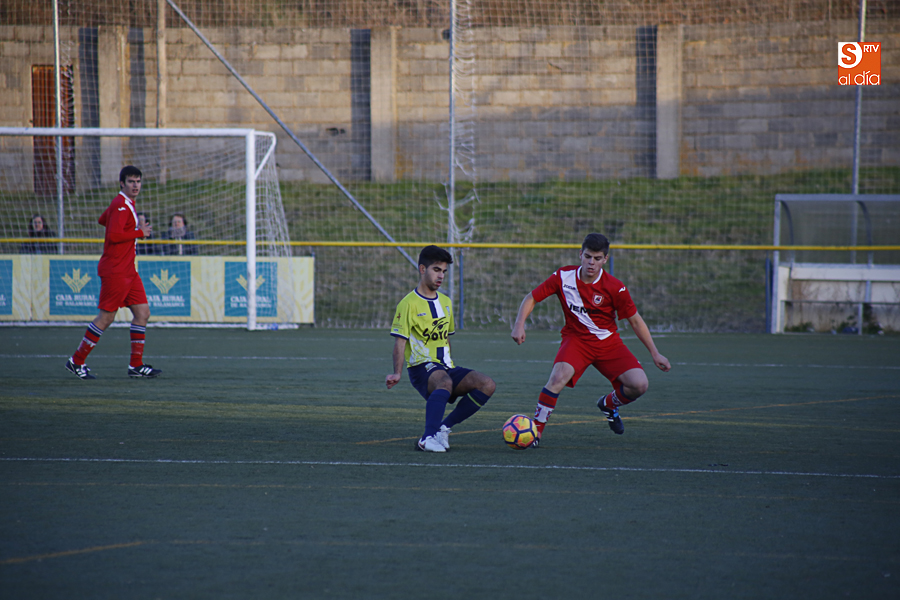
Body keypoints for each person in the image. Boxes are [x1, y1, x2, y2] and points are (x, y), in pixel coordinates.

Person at [511, 233, 670, 445]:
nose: (591, 263)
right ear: (580, 254)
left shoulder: (615, 287)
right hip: (576, 340)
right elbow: (532, 297)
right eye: (587, 257)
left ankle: (608, 405)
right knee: (558, 378)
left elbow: (635, 320)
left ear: (605, 259)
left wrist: (655, 353)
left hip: (608, 343)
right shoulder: (563, 276)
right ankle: (536, 432)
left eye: (597, 258)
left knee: (639, 385)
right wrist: (519, 324)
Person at [386, 245, 496, 452]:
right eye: (436, 270)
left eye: (444, 271)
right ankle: (426, 439)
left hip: (445, 368)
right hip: (421, 368)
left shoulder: (445, 302)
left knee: (487, 384)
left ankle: (442, 429)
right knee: (444, 382)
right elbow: (399, 342)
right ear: (422, 269)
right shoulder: (408, 304)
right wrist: (397, 373)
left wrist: (450, 366)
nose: (441, 276)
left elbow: (446, 338)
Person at [65, 166, 162, 380]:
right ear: (122, 183)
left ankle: (135, 365)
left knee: (143, 313)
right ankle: (76, 361)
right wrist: (139, 232)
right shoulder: (121, 204)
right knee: (106, 317)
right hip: (116, 271)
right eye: (131, 181)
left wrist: (130, 228)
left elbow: (103, 220)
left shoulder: (123, 204)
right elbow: (114, 236)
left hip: (128, 270)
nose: (135, 185)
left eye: (138, 181)